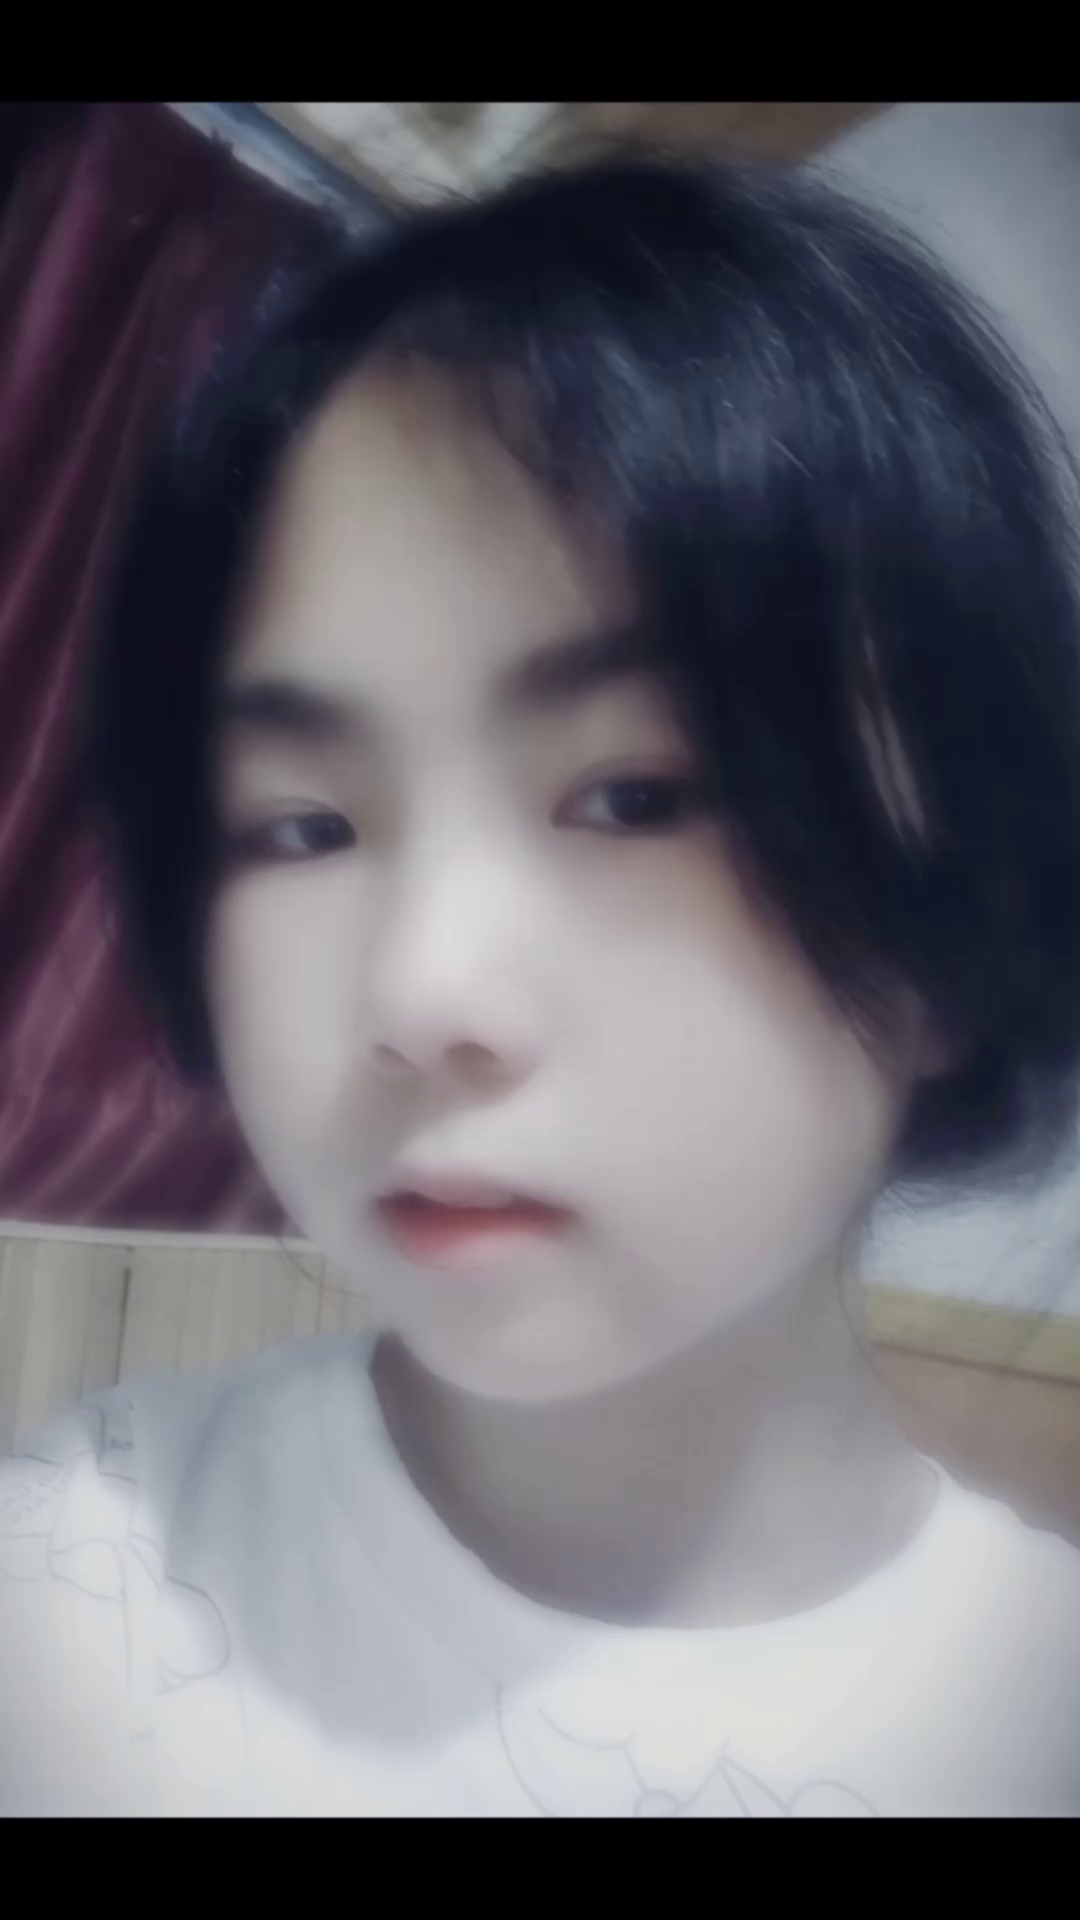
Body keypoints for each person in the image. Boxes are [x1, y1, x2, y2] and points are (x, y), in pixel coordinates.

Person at [1, 153, 1078, 1819]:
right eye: (300, 827)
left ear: (948, 900)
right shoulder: (61, 1596)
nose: (421, 992)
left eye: (636, 796)